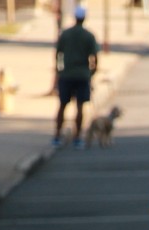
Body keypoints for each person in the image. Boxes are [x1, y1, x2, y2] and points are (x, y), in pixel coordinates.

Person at [53, 6, 100, 149]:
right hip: (82, 75)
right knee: (80, 106)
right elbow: (94, 58)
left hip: (66, 74)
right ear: (84, 18)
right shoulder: (88, 35)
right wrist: (91, 73)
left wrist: (59, 70)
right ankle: (77, 137)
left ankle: (57, 135)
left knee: (62, 104)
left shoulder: (65, 34)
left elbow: (58, 53)